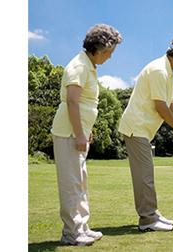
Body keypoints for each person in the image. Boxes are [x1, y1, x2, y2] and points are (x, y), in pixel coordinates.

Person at [51, 24, 122, 246]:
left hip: (78, 133)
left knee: (80, 183)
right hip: (68, 133)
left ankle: (82, 227)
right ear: (100, 48)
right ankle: (71, 233)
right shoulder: (79, 67)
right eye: (110, 52)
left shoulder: (88, 66)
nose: (111, 57)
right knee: (72, 184)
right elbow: (72, 101)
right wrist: (80, 133)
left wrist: (85, 132)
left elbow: (84, 103)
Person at [118, 38, 173, 232]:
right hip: (136, 128)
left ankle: (153, 214)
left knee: (147, 173)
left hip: (143, 130)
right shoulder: (159, 71)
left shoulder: (168, 72)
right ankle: (148, 220)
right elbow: (161, 107)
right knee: (144, 176)